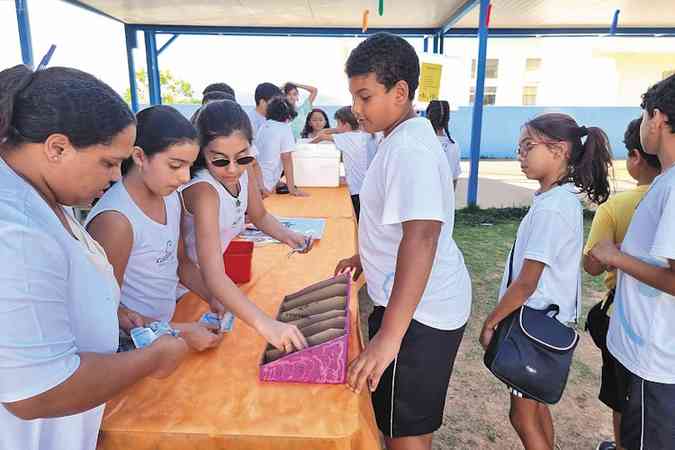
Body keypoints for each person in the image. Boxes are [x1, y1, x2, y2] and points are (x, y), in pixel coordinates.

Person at [0, 65, 187, 450]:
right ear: (57, 148)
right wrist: (153, 358)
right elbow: (35, 392)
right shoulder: (14, 231)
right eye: (108, 162)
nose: (118, 176)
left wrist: (111, 314)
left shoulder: (46, 195)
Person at [334, 33, 472, 450]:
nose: (357, 110)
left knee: (405, 433)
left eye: (364, 97)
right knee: (396, 418)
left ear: (400, 92)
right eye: (354, 98)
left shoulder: (409, 148)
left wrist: (389, 337)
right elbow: (400, 223)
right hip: (418, 305)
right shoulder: (398, 138)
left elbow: (422, 237)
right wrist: (367, 255)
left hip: (420, 316)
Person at [480, 113, 612, 450]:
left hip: (533, 327)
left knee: (522, 417)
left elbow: (527, 281)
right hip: (542, 322)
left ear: (560, 150)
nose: (519, 155)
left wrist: (492, 320)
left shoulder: (553, 208)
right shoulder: (556, 200)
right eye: (519, 148)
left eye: (527, 147)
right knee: (534, 408)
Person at [85, 105, 223, 352]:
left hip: (165, 329)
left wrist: (213, 295)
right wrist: (179, 331)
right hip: (129, 347)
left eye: (189, 166)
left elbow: (180, 262)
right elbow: (104, 310)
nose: (184, 177)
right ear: (139, 157)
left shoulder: (170, 196)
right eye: (175, 165)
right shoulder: (116, 222)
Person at [181, 99, 312, 353]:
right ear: (201, 153)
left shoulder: (245, 170)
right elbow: (213, 275)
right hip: (190, 287)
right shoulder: (205, 191)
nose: (232, 169)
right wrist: (265, 325)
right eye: (219, 161)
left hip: (211, 287)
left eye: (241, 158)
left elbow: (259, 215)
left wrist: (287, 235)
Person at [590, 74, 675, 450]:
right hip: (643, 353)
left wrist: (616, 256)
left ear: (657, 119)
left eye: (643, 117)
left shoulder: (673, 186)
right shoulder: (665, 181)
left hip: (653, 362)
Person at [583, 117, 661, 450]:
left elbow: (592, 267)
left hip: (624, 320)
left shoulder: (615, 207)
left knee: (621, 398)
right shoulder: (666, 194)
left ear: (635, 157)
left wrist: (608, 255)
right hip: (659, 328)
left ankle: (620, 444)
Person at [312, 106, 369, 220]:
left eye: (338, 123)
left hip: (356, 189)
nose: (336, 127)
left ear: (346, 125)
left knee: (357, 219)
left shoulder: (346, 138)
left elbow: (322, 136)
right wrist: (336, 129)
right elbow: (335, 130)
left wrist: (307, 145)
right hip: (366, 186)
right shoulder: (363, 134)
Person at [256, 97, 308, 197]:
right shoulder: (284, 128)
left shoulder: (263, 126)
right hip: (267, 183)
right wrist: (292, 189)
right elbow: (286, 159)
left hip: (256, 181)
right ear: (288, 114)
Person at [426, 100, 461, 190]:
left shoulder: (421, 142)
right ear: (447, 119)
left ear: (428, 116)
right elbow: (454, 180)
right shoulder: (454, 145)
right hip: (444, 201)